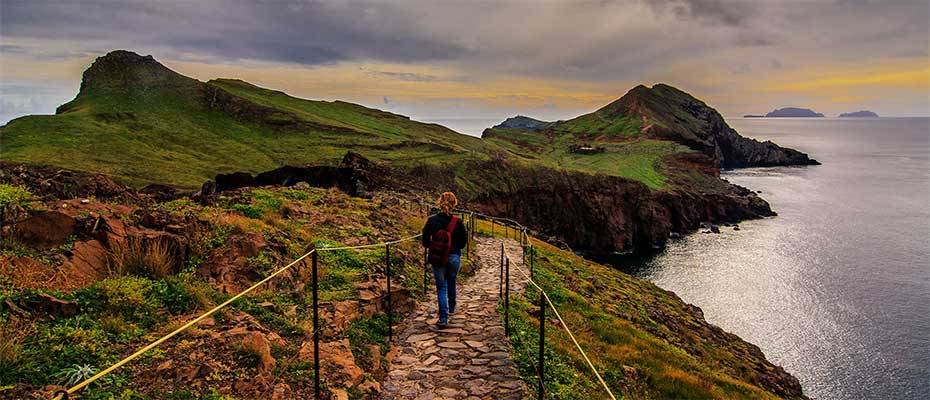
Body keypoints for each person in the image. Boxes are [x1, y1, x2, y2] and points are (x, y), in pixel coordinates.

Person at [421, 192, 468, 327]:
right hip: (454, 257)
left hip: (438, 257)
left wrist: (435, 247)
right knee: (451, 280)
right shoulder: (458, 222)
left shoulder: (432, 220)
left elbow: (424, 241)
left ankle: (443, 318)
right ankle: (452, 306)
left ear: (439, 202)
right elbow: (463, 243)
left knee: (441, 287)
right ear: (454, 204)